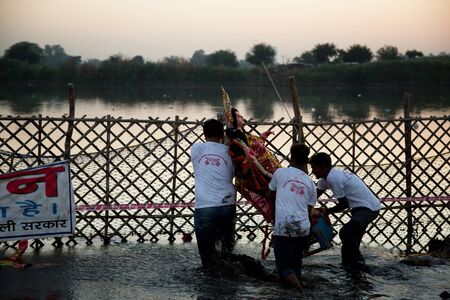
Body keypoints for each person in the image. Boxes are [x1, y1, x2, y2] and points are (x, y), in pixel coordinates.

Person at [309, 152, 381, 271]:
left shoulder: (334, 178)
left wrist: (327, 211)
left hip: (369, 209)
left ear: (323, 167)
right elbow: (313, 197)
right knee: (351, 240)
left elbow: (344, 204)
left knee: (345, 233)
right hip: (359, 209)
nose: (313, 171)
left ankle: (360, 263)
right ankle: (349, 267)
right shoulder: (325, 179)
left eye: (314, 168)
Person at [267, 143, 318, 289]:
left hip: (284, 227)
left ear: (290, 157)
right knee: (296, 265)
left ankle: (301, 293)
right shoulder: (310, 183)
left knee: (284, 268)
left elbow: (269, 193)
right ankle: (294, 289)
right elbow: (309, 211)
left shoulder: (280, 173)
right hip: (303, 228)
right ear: (307, 161)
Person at [190, 118, 237, 269]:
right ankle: (229, 280)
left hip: (205, 207)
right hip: (228, 205)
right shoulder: (231, 152)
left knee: (207, 254)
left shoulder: (196, 149)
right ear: (221, 135)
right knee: (226, 251)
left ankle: (209, 282)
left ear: (204, 135)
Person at [225, 106, 281, 223]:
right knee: (275, 199)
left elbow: (253, 149)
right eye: (239, 117)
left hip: (264, 172)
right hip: (256, 175)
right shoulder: (235, 141)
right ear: (232, 120)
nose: (242, 117)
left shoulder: (242, 136)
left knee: (277, 199)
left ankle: (279, 224)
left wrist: (261, 138)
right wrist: (248, 160)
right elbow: (246, 157)